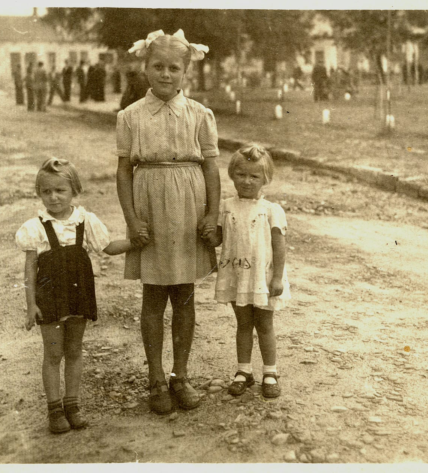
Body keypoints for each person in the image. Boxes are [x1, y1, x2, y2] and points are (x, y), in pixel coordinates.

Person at [116, 29, 216, 415]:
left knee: (185, 296)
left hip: (189, 207)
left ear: (185, 71)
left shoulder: (199, 115)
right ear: (145, 67)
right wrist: (131, 219)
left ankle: (182, 375)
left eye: (174, 68)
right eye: (158, 66)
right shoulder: (130, 117)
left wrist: (210, 213)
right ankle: (156, 379)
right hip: (150, 210)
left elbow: (211, 168)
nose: (165, 74)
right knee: (154, 296)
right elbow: (124, 171)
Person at [16, 157, 146, 434]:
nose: (53, 197)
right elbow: (29, 269)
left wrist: (136, 243)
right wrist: (31, 305)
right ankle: (54, 409)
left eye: (60, 190)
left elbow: (108, 247)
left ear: (74, 190)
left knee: (74, 351)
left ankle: (72, 405)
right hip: (49, 298)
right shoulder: (36, 227)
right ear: (39, 193)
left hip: (78, 295)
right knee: (53, 354)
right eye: (46, 191)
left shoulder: (86, 221)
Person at [203, 144, 289, 399]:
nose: (247, 181)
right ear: (232, 175)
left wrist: (277, 277)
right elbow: (218, 239)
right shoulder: (226, 207)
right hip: (238, 275)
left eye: (255, 176)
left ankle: (270, 372)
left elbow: (279, 245)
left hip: (262, 278)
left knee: (264, 324)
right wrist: (207, 233)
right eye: (241, 175)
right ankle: (244, 371)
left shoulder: (271, 210)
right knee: (242, 323)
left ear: (266, 179)